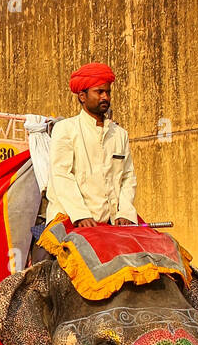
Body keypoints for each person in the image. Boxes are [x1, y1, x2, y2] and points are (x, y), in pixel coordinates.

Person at [45, 63, 138, 229]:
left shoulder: (119, 134)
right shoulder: (65, 129)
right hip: (70, 219)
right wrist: (81, 215)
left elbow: (128, 177)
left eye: (108, 92)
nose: (105, 97)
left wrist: (125, 213)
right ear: (82, 96)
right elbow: (61, 175)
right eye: (99, 92)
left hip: (112, 222)